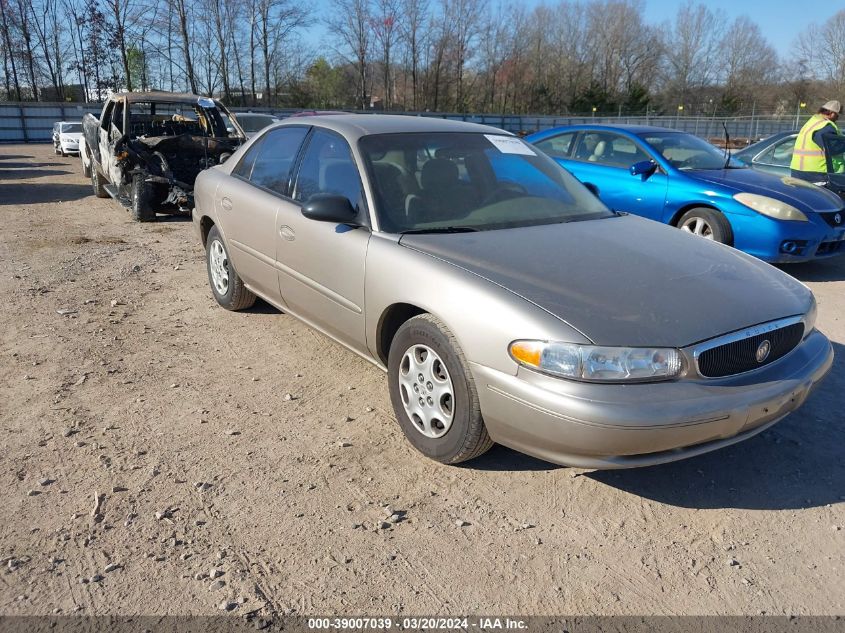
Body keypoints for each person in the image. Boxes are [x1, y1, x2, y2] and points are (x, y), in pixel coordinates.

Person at [790, 100, 841, 183]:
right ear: (832, 113)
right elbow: (833, 149)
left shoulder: (811, 122)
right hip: (816, 175)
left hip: (797, 171)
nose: (837, 119)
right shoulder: (826, 126)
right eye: (837, 116)